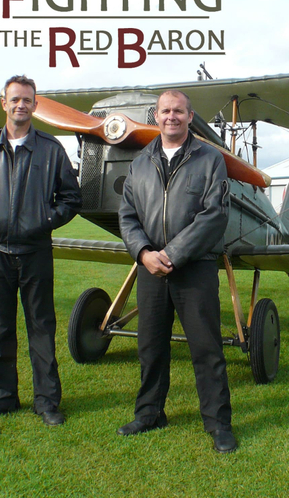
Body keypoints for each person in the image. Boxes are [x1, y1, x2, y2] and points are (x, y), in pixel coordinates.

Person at [0, 75, 82, 426]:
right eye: (15, 99)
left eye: (27, 99)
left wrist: (44, 221)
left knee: (41, 327)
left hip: (36, 251)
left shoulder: (51, 149)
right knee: (1, 327)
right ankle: (3, 398)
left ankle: (47, 402)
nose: (21, 105)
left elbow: (71, 198)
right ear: (4, 103)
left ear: (35, 105)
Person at [117, 90, 236, 453]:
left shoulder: (210, 158)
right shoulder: (140, 163)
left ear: (190, 116)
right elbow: (128, 215)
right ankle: (150, 413)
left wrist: (173, 253)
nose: (172, 116)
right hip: (151, 270)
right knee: (150, 347)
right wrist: (143, 253)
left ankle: (218, 423)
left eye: (179, 111)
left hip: (194, 268)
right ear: (156, 116)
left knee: (206, 349)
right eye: (165, 111)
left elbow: (214, 214)